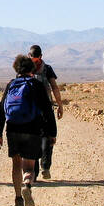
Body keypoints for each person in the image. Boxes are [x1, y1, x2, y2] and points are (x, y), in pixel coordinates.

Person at [0, 54, 54, 206]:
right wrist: (52, 133)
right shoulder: (36, 84)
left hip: (12, 129)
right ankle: (27, 184)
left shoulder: (11, 84)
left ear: (16, 69)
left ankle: (18, 199)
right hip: (32, 129)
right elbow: (48, 110)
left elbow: (1, 110)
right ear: (32, 69)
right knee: (29, 165)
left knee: (16, 164)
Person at [29, 45, 64, 180]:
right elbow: (54, 87)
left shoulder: (40, 69)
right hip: (38, 110)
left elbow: (54, 87)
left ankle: (39, 170)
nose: (35, 61)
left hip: (37, 110)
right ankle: (40, 169)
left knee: (40, 138)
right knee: (40, 139)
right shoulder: (41, 68)